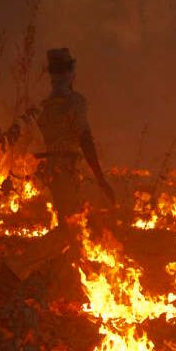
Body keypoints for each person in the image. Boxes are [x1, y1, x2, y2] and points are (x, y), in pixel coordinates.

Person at [35, 47, 115, 224]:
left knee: (67, 222)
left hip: (50, 171)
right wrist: (100, 179)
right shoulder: (75, 103)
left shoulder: (45, 107)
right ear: (71, 72)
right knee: (70, 227)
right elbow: (85, 140)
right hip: (66, 171)